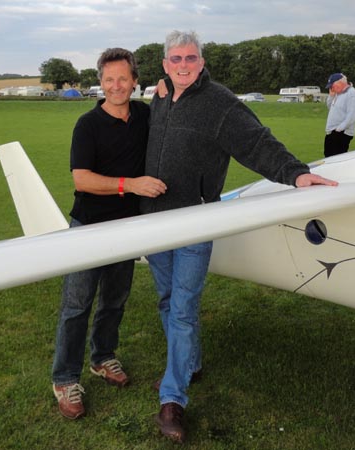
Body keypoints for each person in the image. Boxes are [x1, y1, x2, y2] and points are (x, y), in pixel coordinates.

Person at [141, 30, 338, 443]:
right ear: (164, 64)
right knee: (167, 301)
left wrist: (296, 174)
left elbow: (257, 143)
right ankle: (190, 363)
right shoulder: (159, 98)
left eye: (190, 59)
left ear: (201, 61)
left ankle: (172, 400)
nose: (182, 66)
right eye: (175, 59)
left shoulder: (220, 105)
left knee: (182, 309)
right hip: (152, 222)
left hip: (197, 221)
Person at [51, 47, 167, 420]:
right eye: (108, 79)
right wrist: (130, 185)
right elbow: (81, 179)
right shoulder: (88, 125)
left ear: (135, 81)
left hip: (128, 229)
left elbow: (175, 118)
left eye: (123, 78)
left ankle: (102, 358)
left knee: (114, 301)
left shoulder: (145, 116)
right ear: (100, 83)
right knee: (77, 305)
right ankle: (65, 378)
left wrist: (169, 90)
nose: (116, 86)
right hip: (88, 227)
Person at [323, 72, 355, 157]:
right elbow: (330, 108)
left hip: (342, 133)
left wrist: (339, 129)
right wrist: (331, 96)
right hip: (332, 132)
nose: (331, 88)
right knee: (328, 157)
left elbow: (352, 115)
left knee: (337, 158)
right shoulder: (338, 94)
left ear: (340, 83)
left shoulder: (351, 94)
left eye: (332, 86)